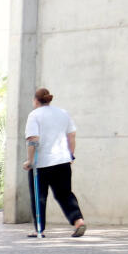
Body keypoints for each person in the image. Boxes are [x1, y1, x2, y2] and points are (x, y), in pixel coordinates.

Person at [22, 86, 87, 238]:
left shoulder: (34, 115)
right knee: (65, 194)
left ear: (35, 100)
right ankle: (78, 221)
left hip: (42, 163)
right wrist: (71, 155)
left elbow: (33, 139)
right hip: (62, 161)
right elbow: (71, 135)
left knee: (39, 196)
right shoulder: (63, 113)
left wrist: (30, 161)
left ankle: (39, 229)